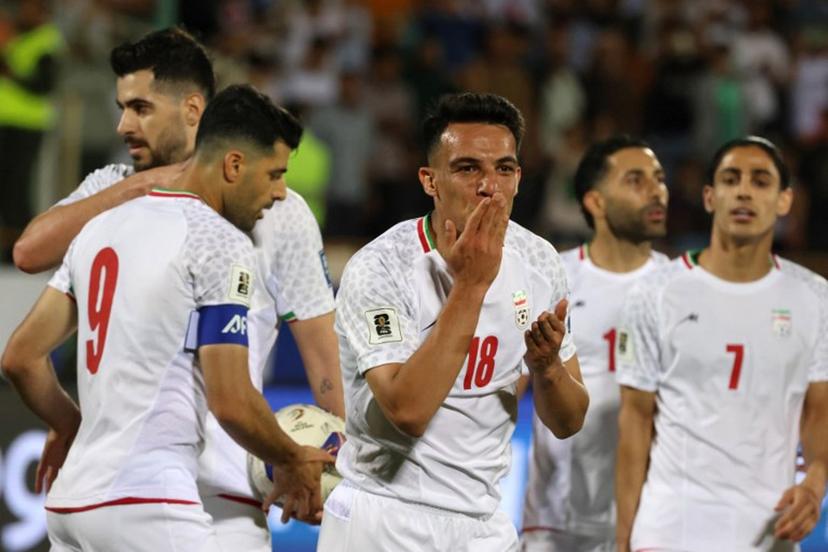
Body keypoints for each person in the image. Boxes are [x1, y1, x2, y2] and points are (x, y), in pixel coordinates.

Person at [11, 28, 344, 551]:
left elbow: (323, 356)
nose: (124, 124)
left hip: (224, 489)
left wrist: (324, 461)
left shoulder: (280, 210)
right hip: (151, 488)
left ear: (193, 108)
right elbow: (28, 252)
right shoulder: (110, 194)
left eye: (140, 107)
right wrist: (137, 186)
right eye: (122, 107)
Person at [317, 92, 590, 551]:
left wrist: (547, 370)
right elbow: (407, 411)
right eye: (468, 169)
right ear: (430, 180)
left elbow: (569, 420)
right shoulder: (382, 267)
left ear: (520, 178)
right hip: (384, 514)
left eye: (504, 169)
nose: (490, 186)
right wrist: (471, 286)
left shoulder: (540, 262)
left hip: (483, 522)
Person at [615, 136, 828, 552]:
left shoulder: (815, 298)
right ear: (710, 197)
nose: (744, 190)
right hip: (669, 529)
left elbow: (820, 411)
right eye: (731, 179)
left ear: (785, 201)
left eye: (761, 181)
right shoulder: (655, 292)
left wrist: (816, 480)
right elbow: (635, 424)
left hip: (770, 532)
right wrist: (624, 540)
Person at [521, 136, 669, 552]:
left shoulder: (683, 290)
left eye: (659, 179)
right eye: (635, 180)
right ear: (595, 202)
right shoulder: (552, 279)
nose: (656, 190)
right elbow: (505, 389)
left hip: (653, 520)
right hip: (557, 520)